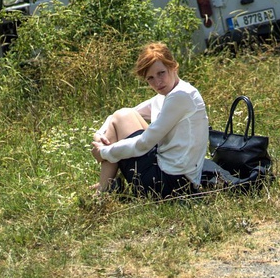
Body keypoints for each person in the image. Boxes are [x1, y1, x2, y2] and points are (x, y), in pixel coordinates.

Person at [90, 42, 209, 197]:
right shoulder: (169, 94)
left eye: (161, 73)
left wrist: (104, 152)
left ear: (173, 67)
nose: (157, 82)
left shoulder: (181, 96)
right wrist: (99, 134)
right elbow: (122, 115)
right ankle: (106, 186)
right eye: (150, 78)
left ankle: (103, 190)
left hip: (172, 184)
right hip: (173, 177)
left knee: (123, 116)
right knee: (123, 115)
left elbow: (144, 143)